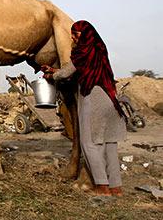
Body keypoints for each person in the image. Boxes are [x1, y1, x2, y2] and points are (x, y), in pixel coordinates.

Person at [42, 20, 127, 196]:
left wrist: (53, 74)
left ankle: (102, 187)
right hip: (111, 99)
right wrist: (56, 70)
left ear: (85, 35)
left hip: (93, 99)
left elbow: (67, 73)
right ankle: (116, 187)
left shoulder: (83, 51)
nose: (73, 37)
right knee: (110, 145)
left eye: (76, 34)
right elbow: (80, 69)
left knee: (89, 143)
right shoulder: (99, 50)